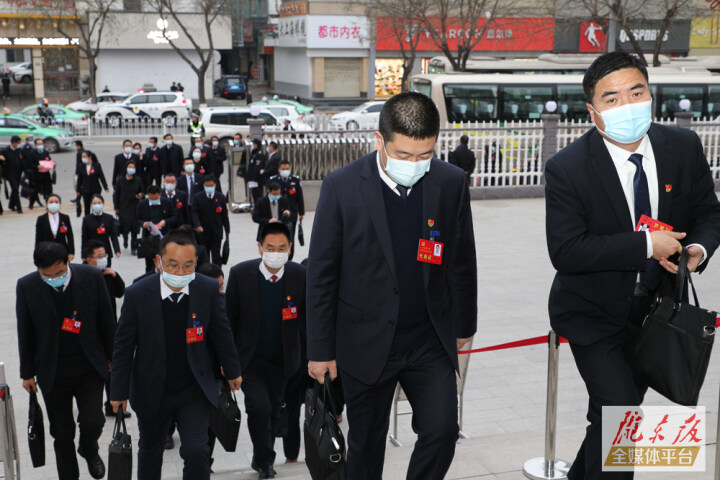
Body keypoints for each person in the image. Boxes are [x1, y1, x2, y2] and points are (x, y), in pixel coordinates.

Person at [545, 51, 720, 480]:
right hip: (592, 312)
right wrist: (645, 244)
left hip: (656, 313)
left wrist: (696, 250)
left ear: (650, 94)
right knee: (622, 412)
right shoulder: (567, 168)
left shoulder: (682, 146)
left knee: (610, 415)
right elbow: (566, 251)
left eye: (636, 92)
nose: (627, 105)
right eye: (612, 98)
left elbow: (708, 211)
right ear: (593, 111)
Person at [306, 91, 477, 480]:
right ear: (379, 141)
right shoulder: (342, 187)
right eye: (403, 155)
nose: (414, 165)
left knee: (442, 431)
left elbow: (461, 260)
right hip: (364, 343)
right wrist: (320, 350)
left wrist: (464, 326)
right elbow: (321, 275)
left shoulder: (449, 182)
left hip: (427, 340)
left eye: (424, 155)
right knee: (366, 446)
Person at [109, 231, 243, 480]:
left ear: (196, 262)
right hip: (152, 389)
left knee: (197, 450)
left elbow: (222, 333)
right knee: (150, 451)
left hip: (193, 388)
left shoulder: (206, 289)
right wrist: (118, 392)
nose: (180, 272)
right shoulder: (138, 294)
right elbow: (123, 347)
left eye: (187, 265)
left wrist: (233, 370)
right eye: (173, 265)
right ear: (158, 261)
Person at [17, 242, 115, 480]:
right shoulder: (27, 286)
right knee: (61, 432)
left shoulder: (91, 277)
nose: (54, 279)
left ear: (67, 262)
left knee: (93, 421)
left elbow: (107, 319)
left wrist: (114, 358)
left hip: (89, 366)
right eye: (47, 276)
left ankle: (89, 449)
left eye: (59, 273)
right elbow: (25, 331)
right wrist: (27, 373)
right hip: (52, 370)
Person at [225, 222, 306, 477]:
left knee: (273, 409)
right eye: (270, 248)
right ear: (260, 248)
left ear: (290, 248)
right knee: (258, 408)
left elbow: (307, 320)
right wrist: (227, 362)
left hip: (283, 360)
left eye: (282, 248)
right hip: (250, 360)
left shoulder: (299, 275)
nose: (276, 253)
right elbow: (228, 321)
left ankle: (263, 458)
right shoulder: (240, 274)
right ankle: (264, 461)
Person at [82, 240, 127, 418]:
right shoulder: (82, 277)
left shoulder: (107, 274)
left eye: (104, 255)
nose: (103, 259)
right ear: (88, 260)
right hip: (91, 332)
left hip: (110, 329)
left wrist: (115, 275)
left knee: (112, 367)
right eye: (99, 256)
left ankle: (112, 404)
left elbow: (120, 292)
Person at [137, 185, 178, 273]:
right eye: (151, 198)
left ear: (159, 194)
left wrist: (165, 222)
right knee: (149, 263)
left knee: (165, 260)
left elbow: (175, 216)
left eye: (155, 198)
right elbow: (137, 219)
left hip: (164, 236)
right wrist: (143, 224)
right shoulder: (142, 204)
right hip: (149, 237)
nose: (153, 200)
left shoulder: (167, 202)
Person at [269, 159, 304, 260]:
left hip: (292, 214)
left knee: (290, 237)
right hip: (278, 214)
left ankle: (289, 257)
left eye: (287, 169)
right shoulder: (273, 180)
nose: (285, 171)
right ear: (279, 169)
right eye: (283, 169)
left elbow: (300, 197)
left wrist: (301, 212)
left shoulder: (295, 180)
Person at [192, 174, 229, 266]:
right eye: (207, 186)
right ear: (203, 185)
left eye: (211, 185)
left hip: (216, 231)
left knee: (216, 256)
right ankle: (206, 272)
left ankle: (218, 273)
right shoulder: (198, 197)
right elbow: (195, 213)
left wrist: (227, 230)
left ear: (215, 185)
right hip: (203, 232)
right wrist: (198, 225)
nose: (209, 187)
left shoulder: (220, 197)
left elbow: (224, 215)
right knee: (205, 255)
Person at [114, 159, 144, 254]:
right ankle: (125, 238)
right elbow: (116, 194)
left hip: (135, 207)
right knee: (125, 227)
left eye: (133, 167)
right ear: (126, 168)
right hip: (123, 207)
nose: (131, 169)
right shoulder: (120, 179)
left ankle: (134, 247)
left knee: (134, 228)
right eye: (130, 167)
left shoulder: (138, 180)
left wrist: (140, 195)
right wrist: (116, 207)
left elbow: (142, 191)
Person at [81, 194, 121, 267]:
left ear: (103, 203)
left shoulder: (109, 218)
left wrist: (117, 250)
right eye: (94, 203)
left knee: (106, 271)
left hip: (105, 251)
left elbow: (113, 235)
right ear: (91, 205)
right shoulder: (86, 219)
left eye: (99, 203)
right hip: (92, 253)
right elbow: (84, 238)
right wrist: (83, 255)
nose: (97, 205)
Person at [35, 194, 75, 260]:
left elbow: (70, 236)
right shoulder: (41, 219)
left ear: (60, 204)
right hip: (46, 252)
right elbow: (38, 238)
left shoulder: (65, 218)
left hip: (62, 252)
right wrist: (37, 254)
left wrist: (71, 252)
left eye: (56, 202)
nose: (54, 204)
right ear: (46, 204)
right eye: (51, 202)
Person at [76, 150, 109, 216]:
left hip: (95, 189)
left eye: (84, 157)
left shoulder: (97, 165)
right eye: (82, 157)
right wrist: (78, 190)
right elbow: (79, 179)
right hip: (85, 190)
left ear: (90, 157)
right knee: (87, 207)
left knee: (96, 207)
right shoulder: (81, 166)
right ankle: (87, 219)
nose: (83, 158)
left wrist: (105, 187)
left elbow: (102, 177)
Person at [1, 135, 24, 213]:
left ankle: (11, 205)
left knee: (15, 189)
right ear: (13, 143)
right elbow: (2, 164)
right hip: (10, 174)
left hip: (18, 173)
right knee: (15, 190)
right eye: (18, 143)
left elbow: (22, 161)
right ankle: (19, 208)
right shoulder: (5, 151)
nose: (18, 145)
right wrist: (3, 175)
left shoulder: (19, 150)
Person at [32, 138, 54, 204]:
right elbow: (30, 164)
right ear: (35, 145)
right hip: (37, 174)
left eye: (41, 144)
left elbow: (49, 159)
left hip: (46, 173)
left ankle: (49, 203)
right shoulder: (32, 153)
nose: (40, 145)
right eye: (38, 144)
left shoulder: (45, 152)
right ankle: (31, 203)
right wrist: (37, 167)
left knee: (49, 189)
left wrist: (52, 163)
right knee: (36, 190)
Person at [247, 139, 266, 205]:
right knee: (254, 194)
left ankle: (259, 207)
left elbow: (257, 167)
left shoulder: (259, 154)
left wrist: (254, 178)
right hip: (253, 179)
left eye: (254, 144)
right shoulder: (254, 154)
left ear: (257, 145)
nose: (253, 146)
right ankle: (256, 206)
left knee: (258, 194)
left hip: (257, 179)